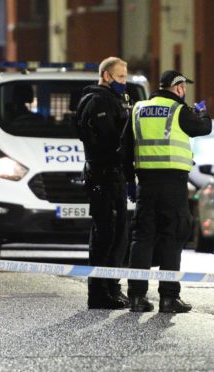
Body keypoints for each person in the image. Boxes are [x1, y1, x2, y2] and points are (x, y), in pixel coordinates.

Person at [120, 70, 212, 313]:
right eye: (183, 87)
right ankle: (169, 298)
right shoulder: (179, 111)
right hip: (173, 184)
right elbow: (203, 128)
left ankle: (137, 297)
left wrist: (130, 181)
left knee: (142, 238)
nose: (185, 91)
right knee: (173, 236)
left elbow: (125, 149)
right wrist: (202, 111)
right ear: (178, 88)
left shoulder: (138, 109)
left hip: (146, 184)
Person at [77, 57, 131, 309]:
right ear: (107, 76)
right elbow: (111, 140)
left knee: (117, 233)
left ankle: (111, 288)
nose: (124, 82)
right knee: (105, 235)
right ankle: (100, 292)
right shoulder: (98, 101)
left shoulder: (110, 100)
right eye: (120, 77)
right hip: (103, 175)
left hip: (112, 175)